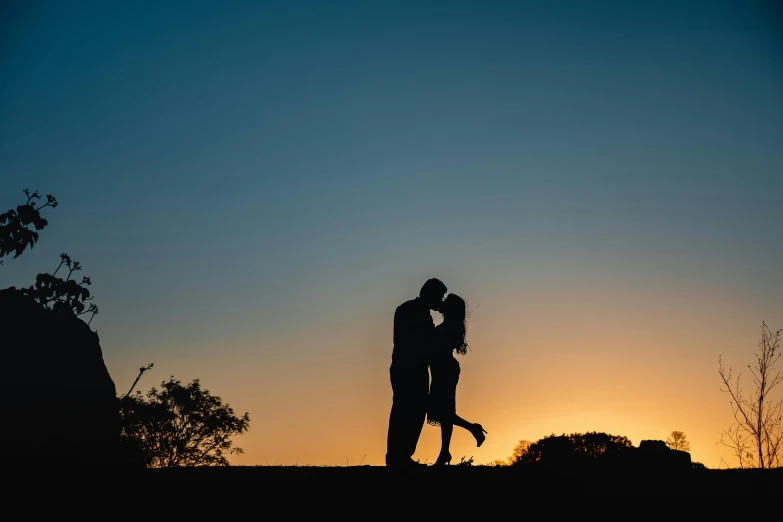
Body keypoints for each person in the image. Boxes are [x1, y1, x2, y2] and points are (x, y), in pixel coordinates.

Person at [386, 278, 447, 468]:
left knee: (408, 411)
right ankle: (399, 457)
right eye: (440, 297)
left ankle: (399, 456)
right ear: (431, 295)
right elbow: (418, 343)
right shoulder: (416, 313)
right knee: (408, 411)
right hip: (411, 369)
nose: (441, 301)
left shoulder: (407, 309)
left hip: (405, 368)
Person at [426, 293, 487, 465]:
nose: (442, 303)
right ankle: (446, 451)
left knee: (443, 411)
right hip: (443, 369)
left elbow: (436, 348)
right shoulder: (449, 326)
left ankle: (464, 436)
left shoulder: (450, 327)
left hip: (444, 370)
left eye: (446, 303)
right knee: (445, 412)